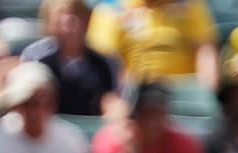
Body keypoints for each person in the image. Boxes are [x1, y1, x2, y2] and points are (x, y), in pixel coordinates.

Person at [86, 0, 220, 88]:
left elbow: (206, 51)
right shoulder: (111, 9)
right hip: (138, 92)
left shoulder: (190, 5)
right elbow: (107, 63)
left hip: (185, 93)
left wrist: (207, 93)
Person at [20, 0, 117, 116]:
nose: (69, 20)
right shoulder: (36, 59)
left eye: (77, 14)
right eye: (61, 14)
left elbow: (110, 102)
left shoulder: (104, 64)